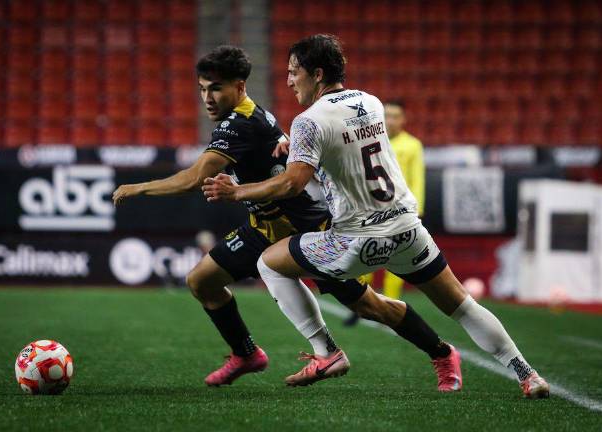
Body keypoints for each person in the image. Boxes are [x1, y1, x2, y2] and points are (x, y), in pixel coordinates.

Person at [202, 35, 549, 398]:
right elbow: (347, 154)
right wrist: (303, 150)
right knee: (462, 305)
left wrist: (236, 191)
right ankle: (527, 374)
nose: (289, 81)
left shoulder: (307, 122)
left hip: (357, 239)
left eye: (294, 72)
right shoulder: (371, 102)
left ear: (317, 74)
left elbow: (292, 184)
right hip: (407, 229)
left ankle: (326, 352)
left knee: (270, 263)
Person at [113, 45, 462, 390]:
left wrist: (138, 188)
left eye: (215, 88)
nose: (207, 98)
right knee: (202, 281)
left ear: (239, 86)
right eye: (203, 89)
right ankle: (246, 354)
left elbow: (194, 178)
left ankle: (442, 353)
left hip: (305, 228)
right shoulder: (252, 117)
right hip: (263, 228)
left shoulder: (241, 124)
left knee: (372, 307)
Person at [345, 100, 425, 325]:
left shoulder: (412, 145)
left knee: (397, 262)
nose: (390, 120)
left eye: (395, 116)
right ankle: (363, 304)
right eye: (386, 115)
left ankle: (391, 308)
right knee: (365, 257)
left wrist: (417, 209)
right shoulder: (370, 140)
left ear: (403, 119)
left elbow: (417, 178)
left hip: (400, 210)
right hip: (371, 209)